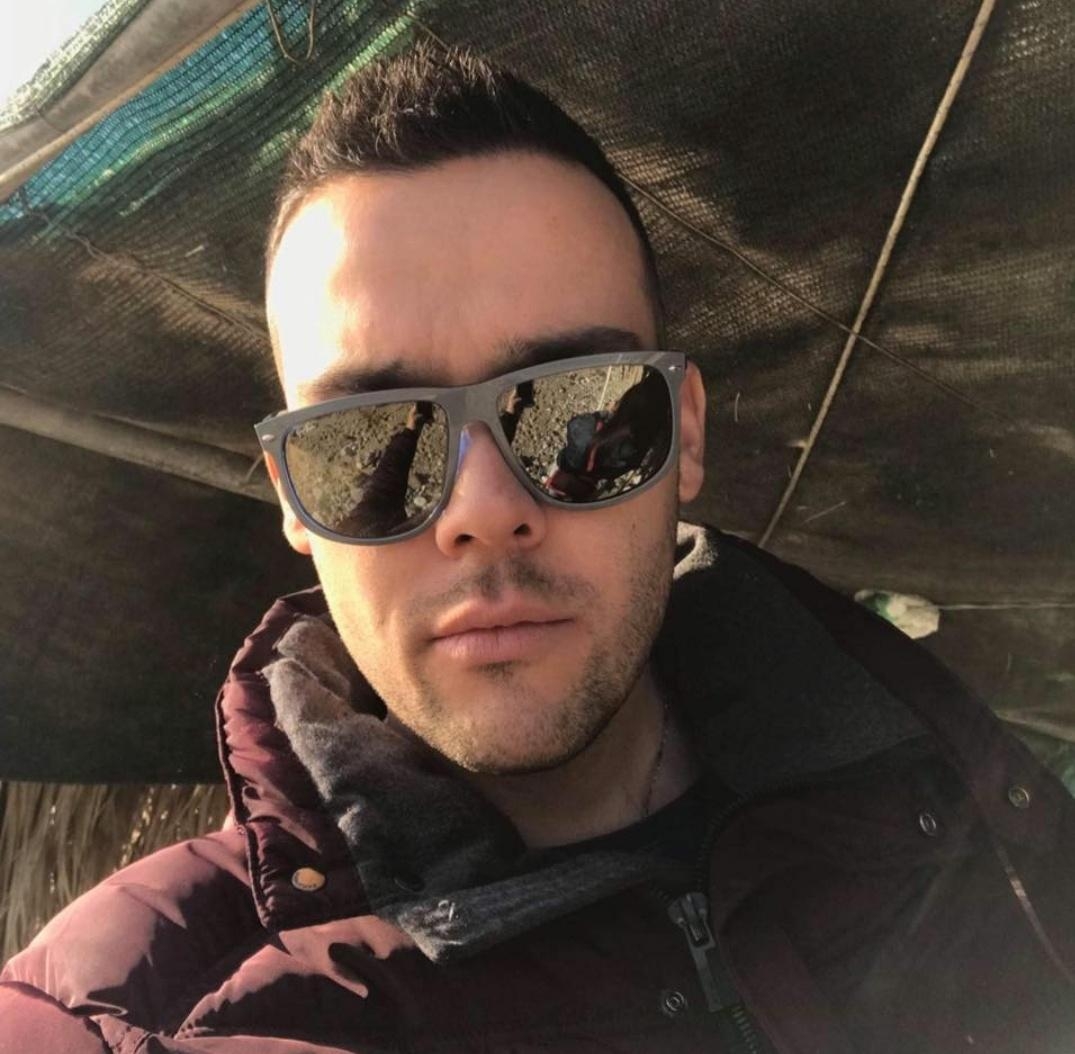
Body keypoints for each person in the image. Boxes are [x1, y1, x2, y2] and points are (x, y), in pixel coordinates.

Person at [2, 43, 1074, 1054]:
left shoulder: (953, 782)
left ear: (683, 434)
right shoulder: (135, 1013)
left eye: (578, 411)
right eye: (371, 441)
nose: (480, 509)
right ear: (292, 494)